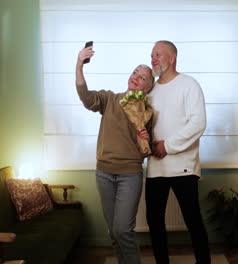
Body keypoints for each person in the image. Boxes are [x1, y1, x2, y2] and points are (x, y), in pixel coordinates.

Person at [76, 44, 154, 264]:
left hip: (129, 175)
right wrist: (79, 64)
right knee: (113, 233)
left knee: (123, 230)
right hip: (104, 173)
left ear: (148, 87)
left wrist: (143, 138)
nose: (136, 78)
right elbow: (86, 97)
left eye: (142, 77)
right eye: (134, 73)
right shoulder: (110, 99)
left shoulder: (148, 113)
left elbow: (148, 152)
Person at [146, 40, 211, 264]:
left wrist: (167, 146)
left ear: (172, 58)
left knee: (192, 220)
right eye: (152, 55)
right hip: (155, 167)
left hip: (184, 166)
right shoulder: (150, 90)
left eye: (158, 54)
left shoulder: (189, 84)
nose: (153, 59)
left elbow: (198, 123)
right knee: (154, 222)